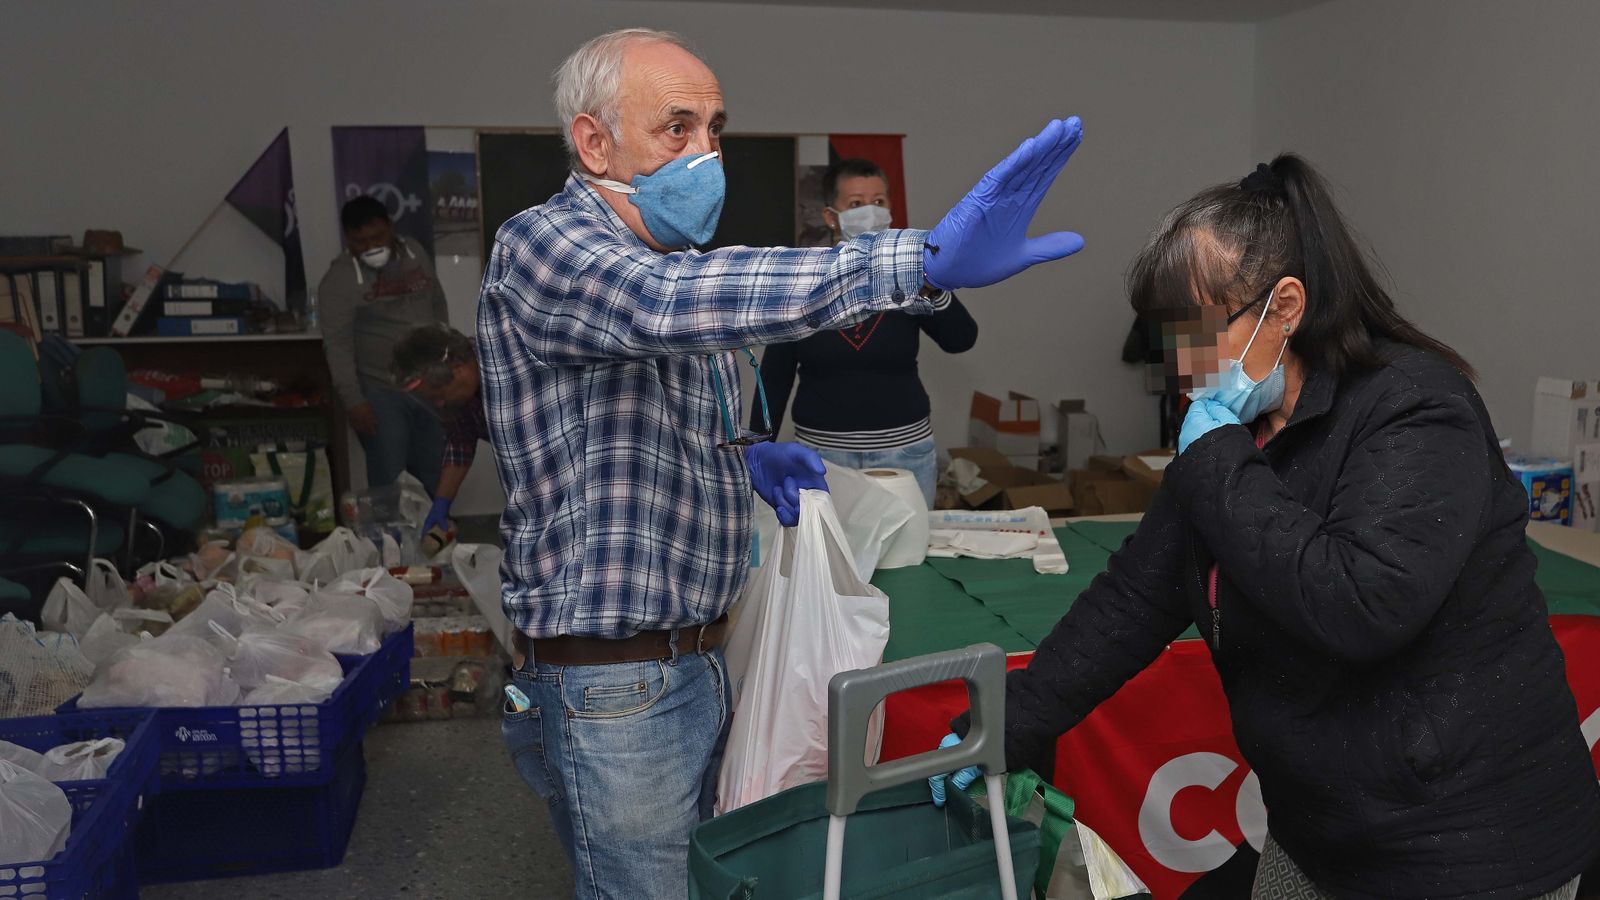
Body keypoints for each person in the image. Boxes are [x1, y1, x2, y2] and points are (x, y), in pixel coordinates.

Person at [478, 27, 1084, 900]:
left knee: (724, 878)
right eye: (677, 128)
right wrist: (919, 260)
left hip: (703, 656)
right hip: (613, 685)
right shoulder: (546, 246)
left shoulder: (667, 255)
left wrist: (742, 455)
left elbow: (653, 401)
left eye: (715, 128)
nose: (706, 154)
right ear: (594, 141)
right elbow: (667, 307)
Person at [931, 156, 1600, 899]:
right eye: (1166, 340)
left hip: (1465, 846)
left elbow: (1360, 605)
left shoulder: (1414, 408)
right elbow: (1128, 603)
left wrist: (1217, 458)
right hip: (1320, 831)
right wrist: (999, 727)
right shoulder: (1229, 438)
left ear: (1284, 308)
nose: (1179, 368)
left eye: (1195, 334)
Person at [754, 158, 977, 504]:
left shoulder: (909, 274)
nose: (870, 212)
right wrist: (758, 452)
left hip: (904, 454)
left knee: (908, 557)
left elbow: (961, 339)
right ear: (831, 216)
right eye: (856, 204)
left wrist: (932, 282)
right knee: (827, 557)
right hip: (823, 457)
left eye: (879, 202)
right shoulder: (805, 281)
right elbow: (775, 378)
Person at [317, 195, 451, 492]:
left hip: (430, 385)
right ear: (347, 239)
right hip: (382, 391)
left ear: (391, 228)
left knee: (436, 471)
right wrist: (354, 402)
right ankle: (390, 539)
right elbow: (337, 346)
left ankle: (436, 535)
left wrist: (445, 362)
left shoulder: (415, 252)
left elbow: (438, 304)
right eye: (359, 241)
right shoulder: (338, 281)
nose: (370, 247)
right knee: (389, 477)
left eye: (376, 236)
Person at [390, 325, 488, 536]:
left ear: (459, 368)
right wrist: (441, 504)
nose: (440, 404)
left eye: (439, 395)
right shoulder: (461, 399)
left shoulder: (513, 367)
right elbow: (461, 443)